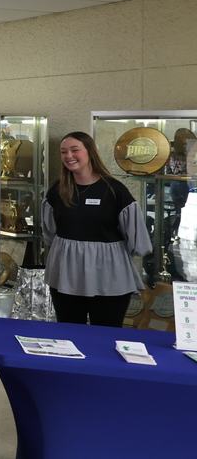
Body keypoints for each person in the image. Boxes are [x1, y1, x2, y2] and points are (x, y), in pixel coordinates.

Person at [43, 132, 151, 326]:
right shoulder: (56, 191)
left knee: (106, 332)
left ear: (90, 153)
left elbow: (137, 239)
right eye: (63, 152)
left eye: (75, 150)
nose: (69, 156)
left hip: (108, 272)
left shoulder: (115, 191)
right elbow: (50, 232)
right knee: (69, 330)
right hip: (67, 272)